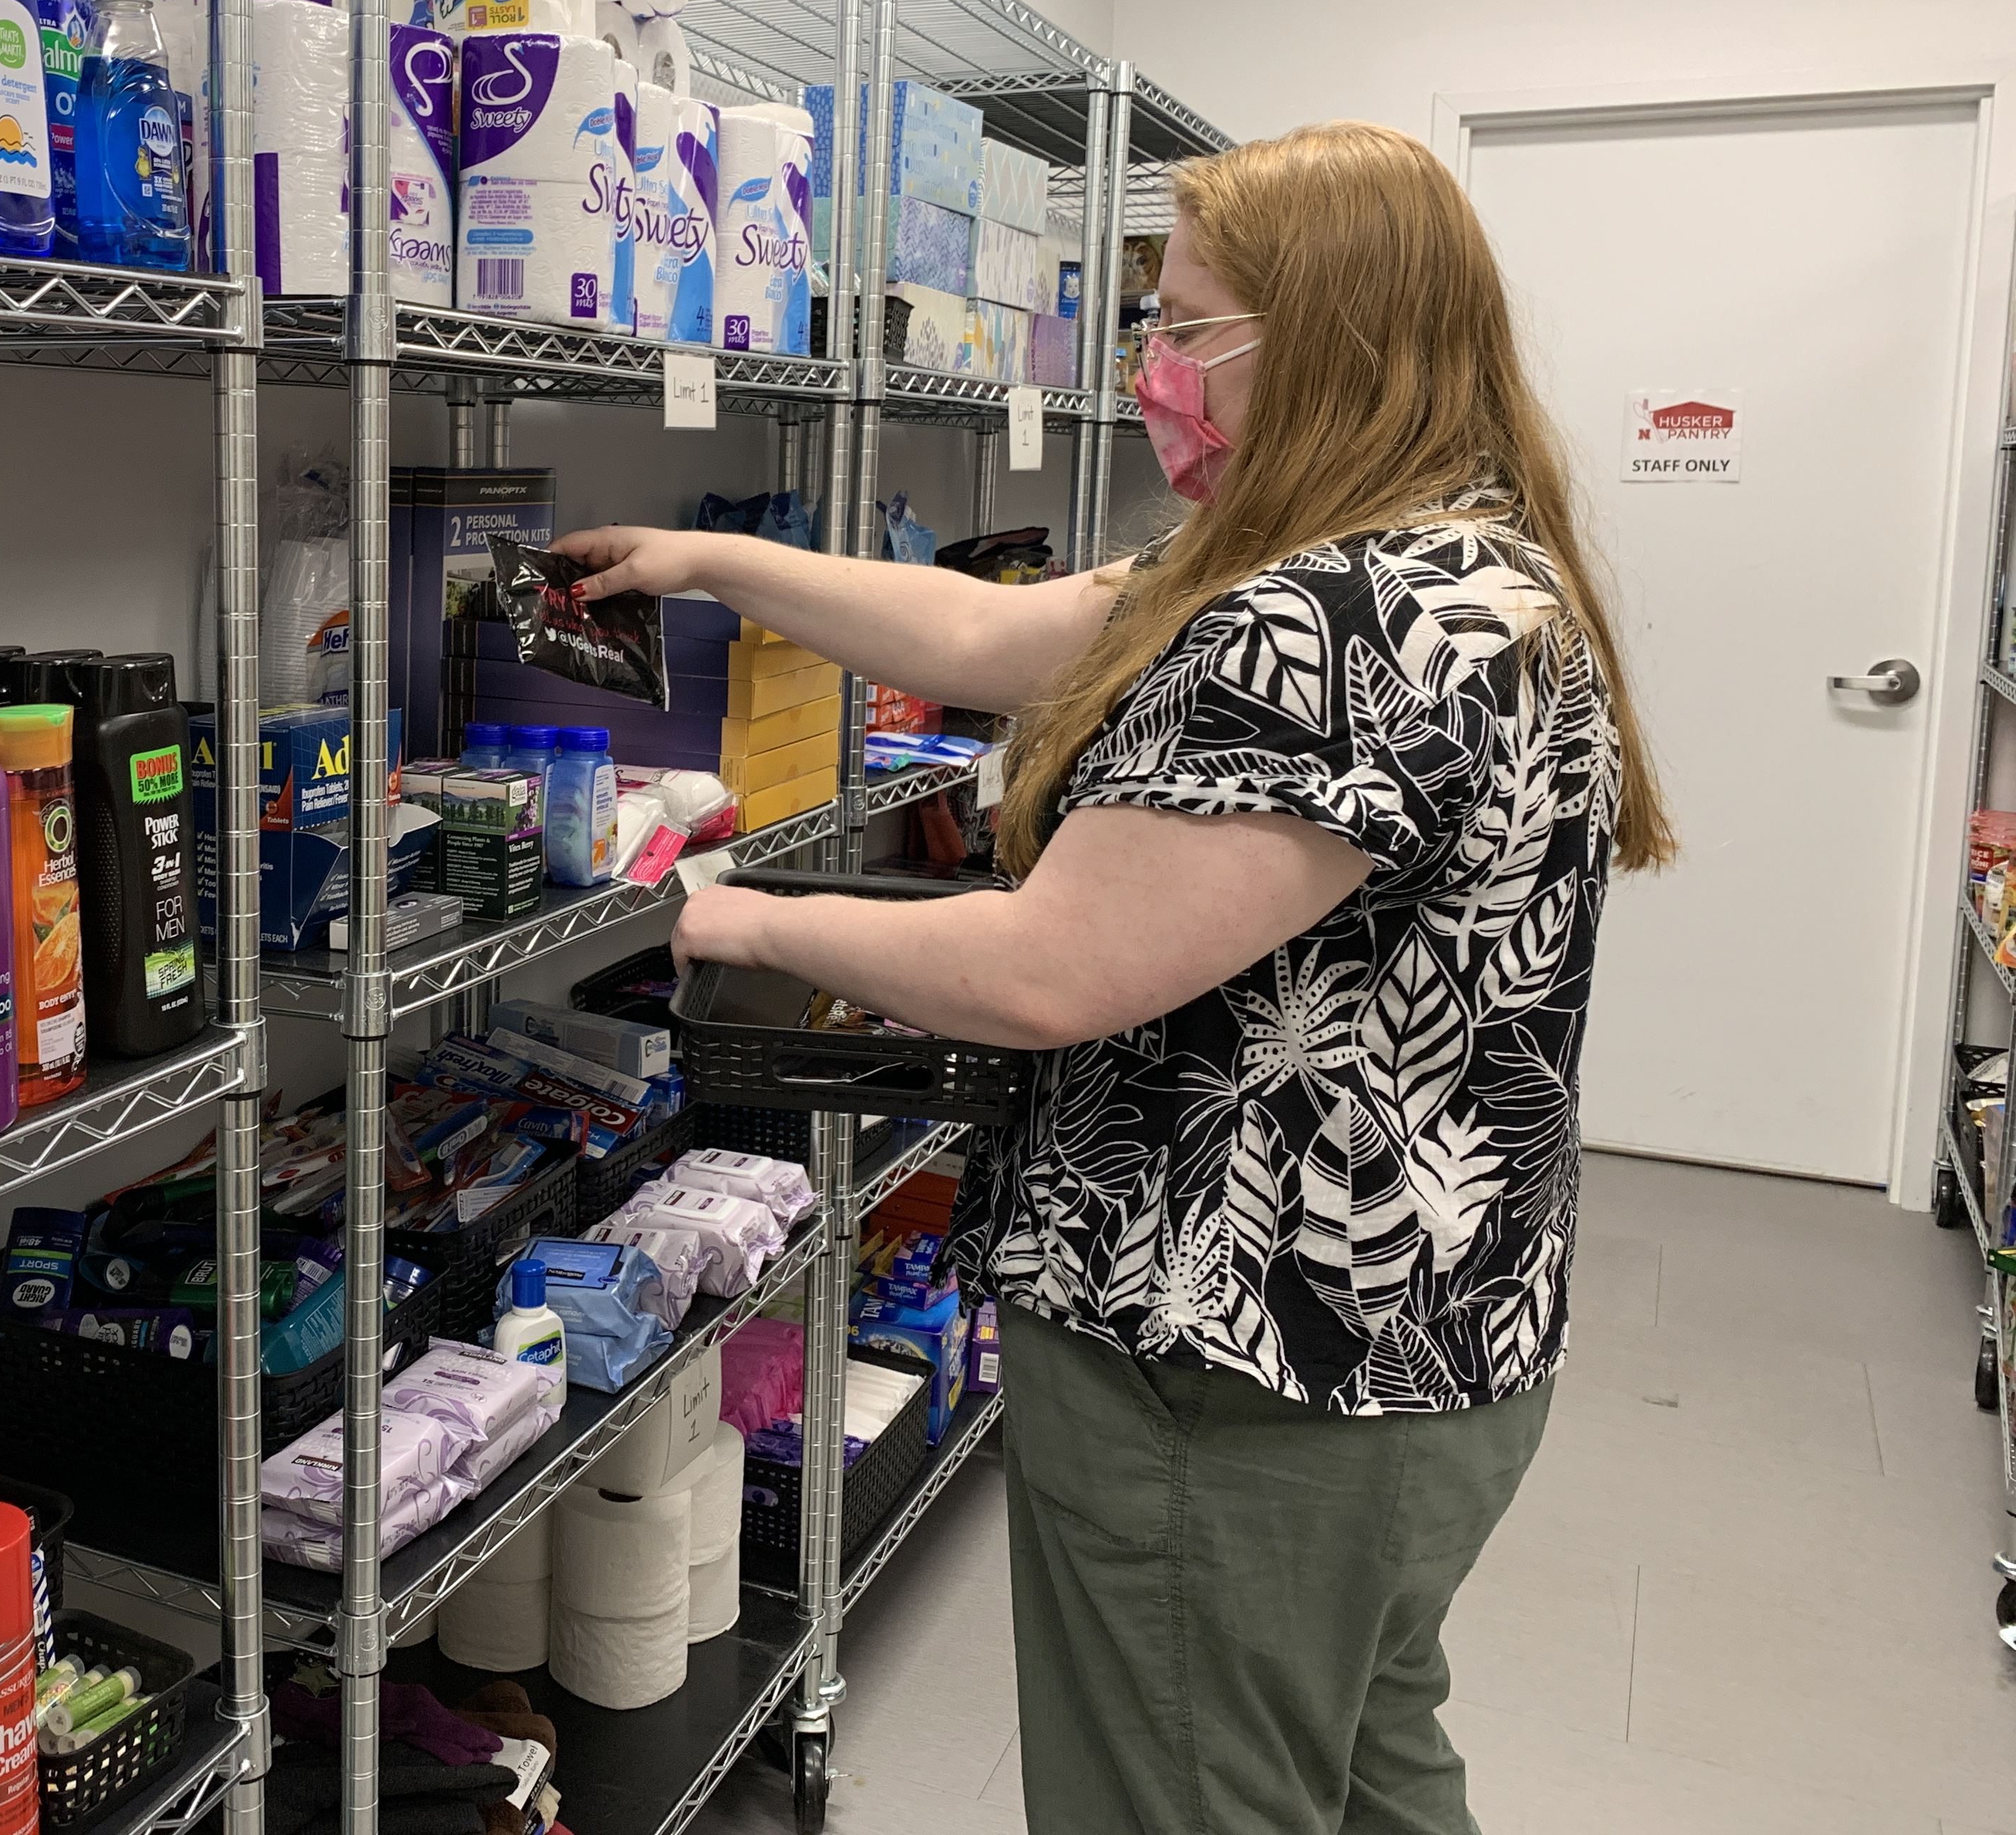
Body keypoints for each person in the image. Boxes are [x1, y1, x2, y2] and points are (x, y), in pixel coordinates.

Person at [550, 120, 1672, 1835]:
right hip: (1418, 1334)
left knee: (1187, 1789)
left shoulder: (1341, 621)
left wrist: (735, 912)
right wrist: (704, 564)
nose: (1150, 372)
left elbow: (1052, 967)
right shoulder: (1426, 554)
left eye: (1187, 328)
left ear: (1338, 336)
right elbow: (994, 637)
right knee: (1364, 1767)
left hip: (1241, 1366)